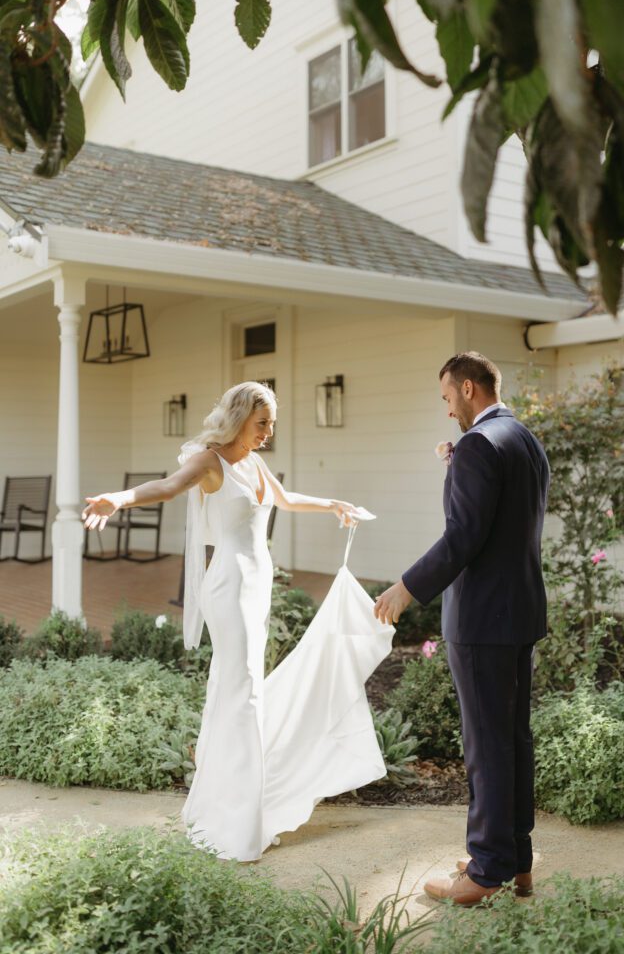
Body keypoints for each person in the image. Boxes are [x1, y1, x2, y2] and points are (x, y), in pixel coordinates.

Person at [83, 380, 393, 862]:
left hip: (257, 583)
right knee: (243, 690)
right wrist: (118, 500)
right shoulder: (211, 460)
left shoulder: (253, 461)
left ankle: (225, 795)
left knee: (237, 688)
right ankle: (239, 819)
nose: (269, 431)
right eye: (262, 422)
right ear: (240, 418)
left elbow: (284, 499)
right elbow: (166, 487)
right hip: (228, 586)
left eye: (272, 423)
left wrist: (333, 504)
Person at [374, 352, 549, 907]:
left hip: (482, 620)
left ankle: (486, 870)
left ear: (469, 388)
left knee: (485, 745)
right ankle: (514, 859)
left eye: (449, 399)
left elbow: (463, 537)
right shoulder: (523, 437)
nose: (449, 413)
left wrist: (406, 587)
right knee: (511, 738)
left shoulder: (479, 444)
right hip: (519, 612)